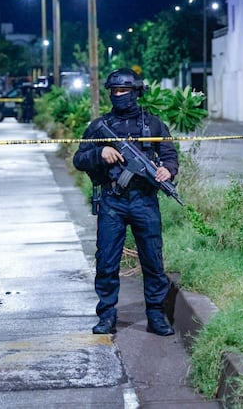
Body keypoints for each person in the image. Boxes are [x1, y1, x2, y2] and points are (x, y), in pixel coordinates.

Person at [73, 68, 179, 336]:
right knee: (107, 260)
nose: (119, 95)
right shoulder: (99, 127)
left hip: (144, 200)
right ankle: (107, 315)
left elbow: (169, 155)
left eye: (124, 90)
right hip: (113, 201)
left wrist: (167, 170)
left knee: (152, 259)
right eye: (115, 91)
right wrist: (100, 152)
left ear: (136, 92)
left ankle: (156, 315)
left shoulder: (153, 125)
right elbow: (79, 159)